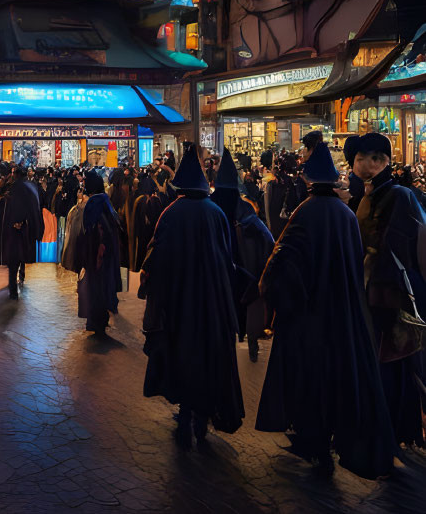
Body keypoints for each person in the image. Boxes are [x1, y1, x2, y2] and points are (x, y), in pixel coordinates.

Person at [252, 138, 394, 477]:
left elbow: (282, 261)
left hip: (309, 314)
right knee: (336, 375)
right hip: (344, 311)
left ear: (308, 182)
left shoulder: (306, 212)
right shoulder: (346, 214)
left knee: (308, 377)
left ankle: (312, 439)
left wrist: (271, 296)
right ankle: (331, 437)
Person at [137, 146, 245, 447]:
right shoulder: (217, 214)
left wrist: (150, 292)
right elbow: (228, 258)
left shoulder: (171, 213)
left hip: (178, 303)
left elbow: (155, 257)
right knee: (208, 357)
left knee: (181, 356)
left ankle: (185, 416)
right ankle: (202, 417)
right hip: (212, 302)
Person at [350, 131, 426, 453]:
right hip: (375, 295)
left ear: (385, 162)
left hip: (394, 298)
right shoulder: (368, 196)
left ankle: (397, 433)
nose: (364, 164)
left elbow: (394, 248)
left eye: (372, 158)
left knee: (399, 366)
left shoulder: (398, 195)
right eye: (358, 158)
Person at [211, 150, 273, 361]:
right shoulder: (244, 207)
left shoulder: (209, 206)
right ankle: (252, 341)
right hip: (244, 270)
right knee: (246, 306)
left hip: (215, 270)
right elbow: (267, 240)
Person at [76, 171, 122, 336]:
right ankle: (99, 322)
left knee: (95, 288)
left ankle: (96, 323)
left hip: (97, 254)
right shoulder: (104, 200)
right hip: (105, 254)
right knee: (102, 287)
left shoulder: (93, 203)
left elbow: (92, 230)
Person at [0, 165, 43, 297]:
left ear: (15, 175)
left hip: (14, 230)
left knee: (13, 261)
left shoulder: (14, 188)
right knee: (21, 256)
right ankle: (20, 278)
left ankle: (13, 290)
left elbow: (5, 207)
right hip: (26, 228)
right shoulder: (31, 186)